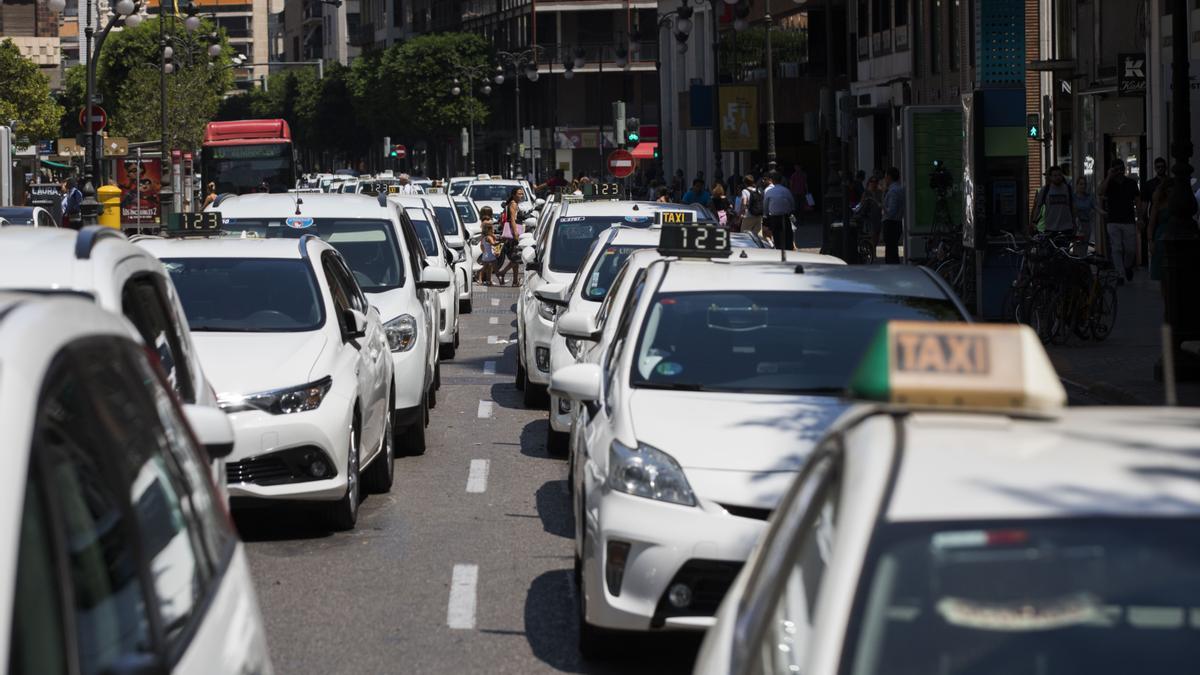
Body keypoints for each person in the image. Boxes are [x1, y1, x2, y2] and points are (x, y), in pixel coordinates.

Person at [1099, 160, 1139, 282]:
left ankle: (1127, 267)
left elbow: (1137, 199)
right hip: (1113, 221)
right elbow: (1100, 192)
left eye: (1121, 168)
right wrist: (1108, 176)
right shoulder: (1109, 183)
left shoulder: (1131, 183)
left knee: (1130, 249)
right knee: (1116, 248)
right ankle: (1120, 274)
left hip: (1129, 220)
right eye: (1116, 169)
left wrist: (1140, 217)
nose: (1119, 171)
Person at [1029, 166, 1076, 237]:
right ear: (1050, 177)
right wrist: (1033, 222)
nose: (1058, 177)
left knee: (1063, 248)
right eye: (1055, 175)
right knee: (1051, 248)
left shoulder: (1068, 189)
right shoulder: (1045, 190)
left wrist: (1074, 222)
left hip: (1066, 228)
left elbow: (1073, 207)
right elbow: (1038, 207)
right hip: (1050, 228)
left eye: (1059, 175)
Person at [1139, 157, 1168, 266]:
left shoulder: (1170, 182)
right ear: (1155, 168)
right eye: (1158, 167)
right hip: (1156, 218)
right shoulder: (1149, 184)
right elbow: (1145, 204)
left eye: (1162, 167)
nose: (1160, 169)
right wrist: (1142, 218)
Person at [495, 186, 525, 286]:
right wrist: (516, 233)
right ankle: (501, 273)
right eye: (519, 193)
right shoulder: (513, 204)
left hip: (512, 233)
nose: (521, 195)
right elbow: (512, 219)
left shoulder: (513, 204)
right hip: (513, 234)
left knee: (514, 257)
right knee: (516, 258)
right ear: (513, 195)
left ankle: (515, 281)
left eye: (522, 193)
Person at [1147, 179, 1174, 283]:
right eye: (1168, 190)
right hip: (1160, 238)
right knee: (1162, 274)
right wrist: (1150, 241)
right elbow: (1151, 225)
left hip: (1174, 236)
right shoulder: (1158, 204)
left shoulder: (1177, 204)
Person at [763, 171, 796, 250]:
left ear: (773, 181)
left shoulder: (769, 191)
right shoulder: (786, 190)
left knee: (777, 237)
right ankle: (788, 250)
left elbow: (765, 207)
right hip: (785, 217)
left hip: (774, 218)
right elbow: (792, 204)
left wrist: (766, 218)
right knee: (788, 236)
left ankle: (778, 250)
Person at [854, 174, 884, 255]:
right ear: (869, 182)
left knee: (877, 234)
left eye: (875, 182)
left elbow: (882, 202)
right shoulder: (866, 193)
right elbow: (862, 204)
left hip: (877, 216)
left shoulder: (879, 192)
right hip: (869, 217)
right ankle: (872, 252)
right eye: (872, 181)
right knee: (871, 234)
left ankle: (874, 250)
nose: (874, 183)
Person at [881, 167, 905, 264]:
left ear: (889, 177)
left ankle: (892, 270)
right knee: (893, 250)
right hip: (896, 223)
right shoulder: (899, 189)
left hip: (891, 224)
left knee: (891, 251)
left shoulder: (893, 191)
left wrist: (882, 206)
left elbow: (891, 212)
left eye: (886, 176)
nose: (885, 178)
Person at [1073, 177, 1098, 250]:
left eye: (1084, 184)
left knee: (1084, 246)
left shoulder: (1089, 197)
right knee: (1077, 247)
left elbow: (1096, 207)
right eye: (1081, 184)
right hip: (1076, 225)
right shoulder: (1073, 197)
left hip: (1086, 224)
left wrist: (1104, 213)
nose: (1083, 186)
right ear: (1077, 185)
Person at [477, 208, 500, 286]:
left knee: (489, 265)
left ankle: (489, 279)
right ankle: (488, 279)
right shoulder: (487, 222)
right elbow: (490, 232)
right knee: (489, 265)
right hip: (488, 243)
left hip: (485, 244)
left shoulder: (484, 221)